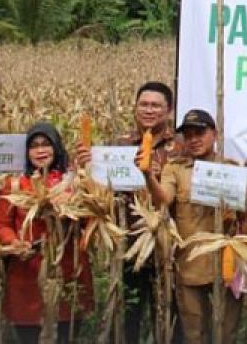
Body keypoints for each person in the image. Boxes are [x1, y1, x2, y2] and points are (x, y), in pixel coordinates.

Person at [75, 80, 180, 342]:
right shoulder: (118, 145)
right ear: (134, 108)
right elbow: (98, 191)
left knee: (167, 313)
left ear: (169, 110)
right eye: (143, 104)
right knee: (128, 313)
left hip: (168, 246)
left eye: (156, 105)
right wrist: (86, 167)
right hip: (127, 242)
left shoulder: (180, 146)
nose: (149, 110)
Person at [142, 109, 242, 344]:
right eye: (188, 135)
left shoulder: (232, 169)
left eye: (200, 133)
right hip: (189, 264)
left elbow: (244, 216)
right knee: (194, 333)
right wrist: (148, 175)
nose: (194, 139)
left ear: (214, 134)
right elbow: (164, 199)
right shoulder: (174, 169)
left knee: (226, 333)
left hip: (226, 264)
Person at [0, 122, 93, 344]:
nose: (40, 151)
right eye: (34, 146)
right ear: (26, 152)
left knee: (65, 334)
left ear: (56, 148)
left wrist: (78, 195)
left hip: (67, 270)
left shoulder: (73, 181)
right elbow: (3, 224)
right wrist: (14, 242)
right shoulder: (14, 184)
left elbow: (90, 219)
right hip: (26, 274)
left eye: (46, 144)